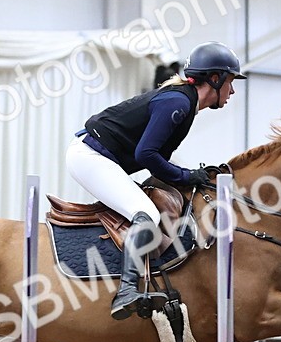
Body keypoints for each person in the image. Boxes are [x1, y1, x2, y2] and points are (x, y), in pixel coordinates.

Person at [66, 41, 246, 320]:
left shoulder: (185, 104)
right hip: (90, 157)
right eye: (231, 82)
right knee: (147, 213)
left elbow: (157, 161)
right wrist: (187, 175)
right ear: (215, 78)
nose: (232, 91)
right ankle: (126, 290)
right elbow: (147, 154)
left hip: (99, 158)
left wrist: (191, 179)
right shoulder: (178, 102)